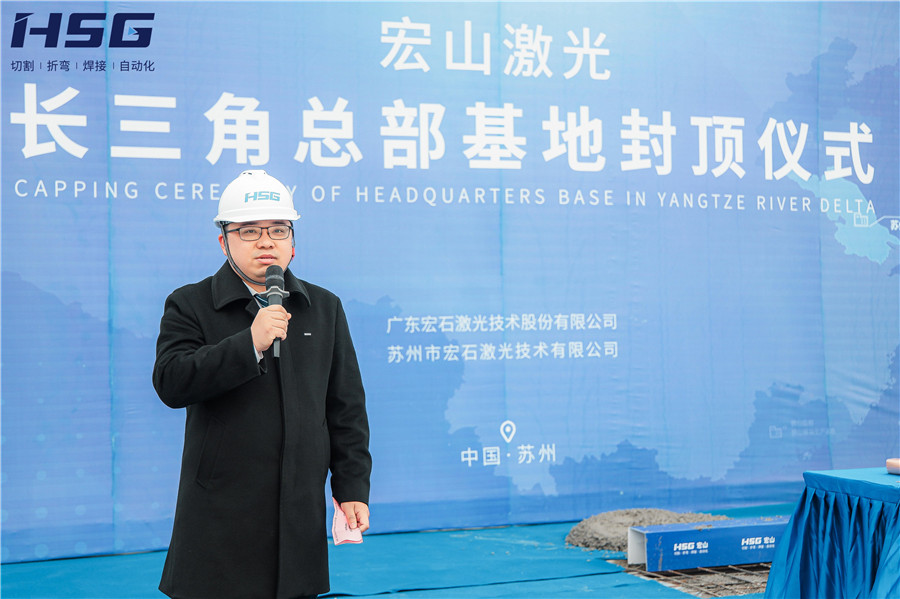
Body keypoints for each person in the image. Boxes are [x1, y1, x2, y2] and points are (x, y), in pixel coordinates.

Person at [152, 169, 372, 599]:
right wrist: (249, 343)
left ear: (293, 242)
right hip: (220, 510)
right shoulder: (190, 303)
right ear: (224, 241)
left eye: (278, 229)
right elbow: (171, 382)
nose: (266, 242)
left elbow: (345, 407)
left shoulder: (323, 307)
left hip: (298, 508)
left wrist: (351, 487)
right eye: (249, 231)